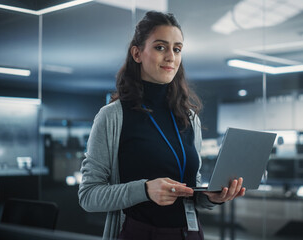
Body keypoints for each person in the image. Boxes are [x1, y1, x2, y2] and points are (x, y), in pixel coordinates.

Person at [78, 11, 245, 240]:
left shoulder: (188, 117)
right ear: (137, 53)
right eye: (160, 47)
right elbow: (88, 195)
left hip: (191, 233)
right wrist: (145, 190)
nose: (170, 57)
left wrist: (211, 197)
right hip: (140, 233)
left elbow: (191, 189)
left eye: (177, 49)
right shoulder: (112, 117)